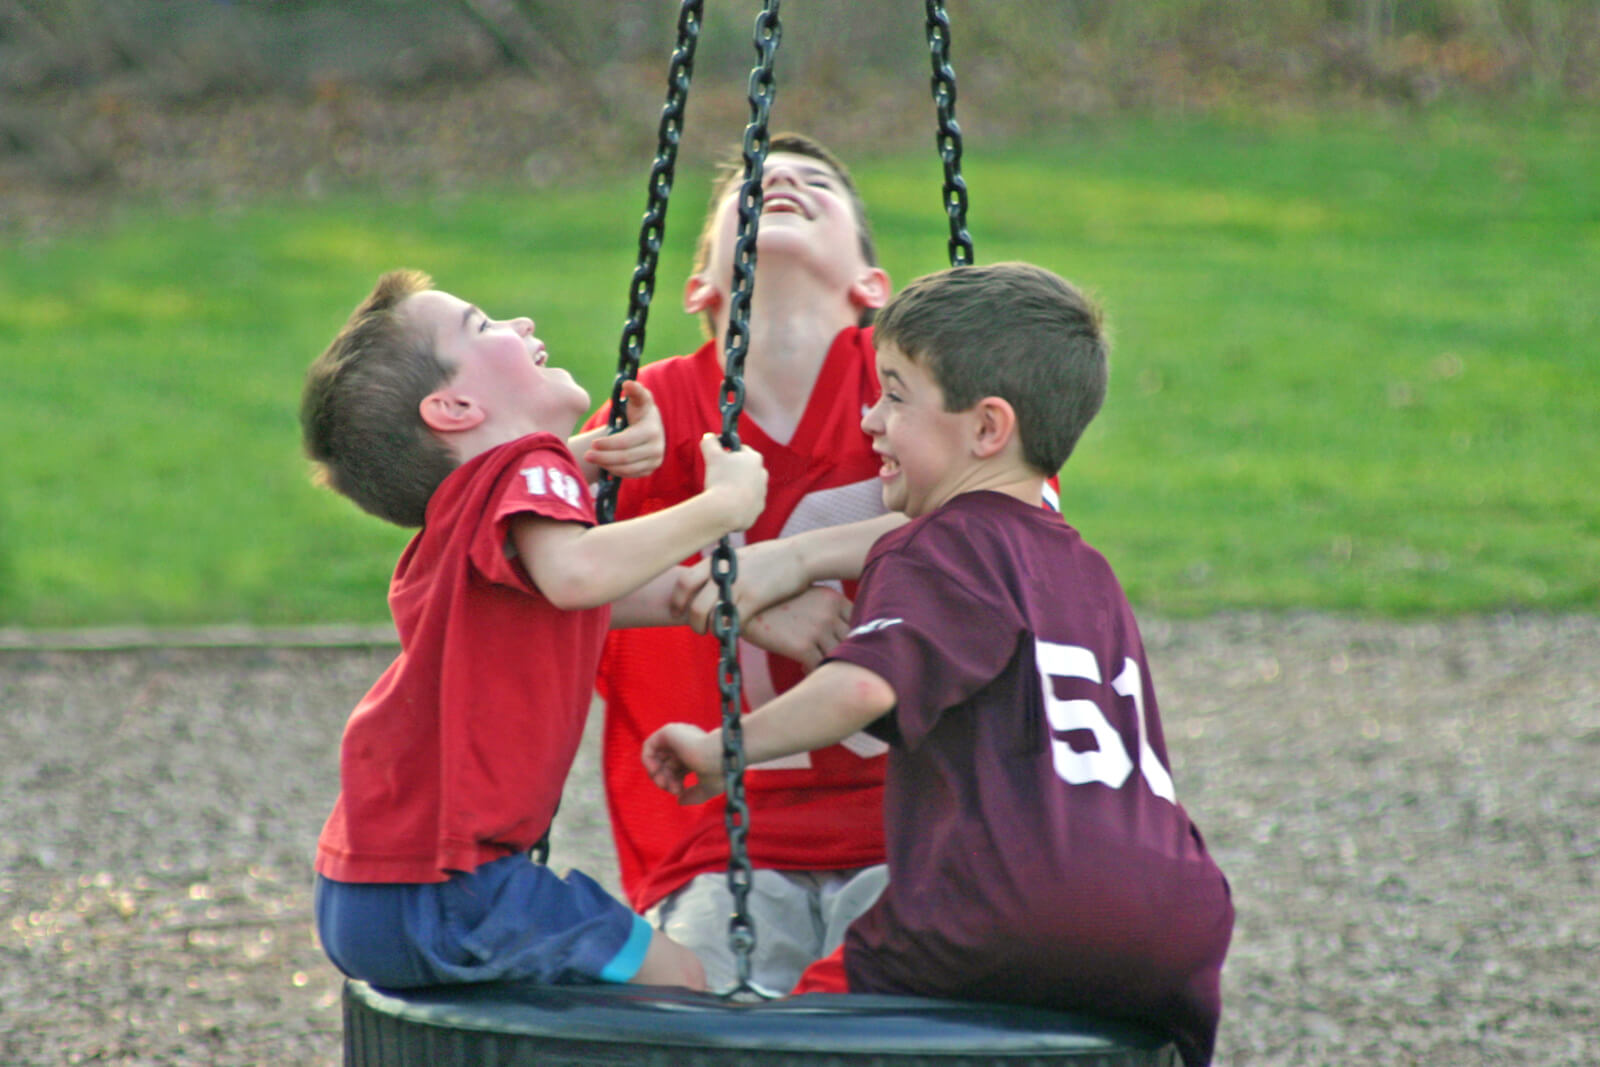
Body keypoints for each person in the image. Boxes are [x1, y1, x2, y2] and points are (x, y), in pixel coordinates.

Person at [644, 262, 1235, 1066]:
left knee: (781, 1043)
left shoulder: (939, 544)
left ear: (988, 430)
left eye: (894, 394)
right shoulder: (1086, 567)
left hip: (1009, 902)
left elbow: (860, 684)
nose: (869, 417)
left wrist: (723, 749)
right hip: (1177, 915)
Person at [300, 268, 770, 993]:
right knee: (678, 978)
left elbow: (590, 587)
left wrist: (591, 462)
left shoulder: (464, 517)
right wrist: (723, 505)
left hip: (369, 885)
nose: (520, 324)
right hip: (451, 884)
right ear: (453, 406)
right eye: (484, 326)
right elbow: (578, 574)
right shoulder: (527, 468)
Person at [580, 133, 904, 994]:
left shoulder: (917, 390)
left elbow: (1005, 531)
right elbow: (561, 582)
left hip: (917, 823)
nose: (784, 181)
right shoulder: (655, 412)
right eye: (752, 186)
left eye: (818, 184)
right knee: (699, 1016)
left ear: (872, 286)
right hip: (719, 837)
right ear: (701, 287)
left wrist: (785, 565)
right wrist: (730, 596)